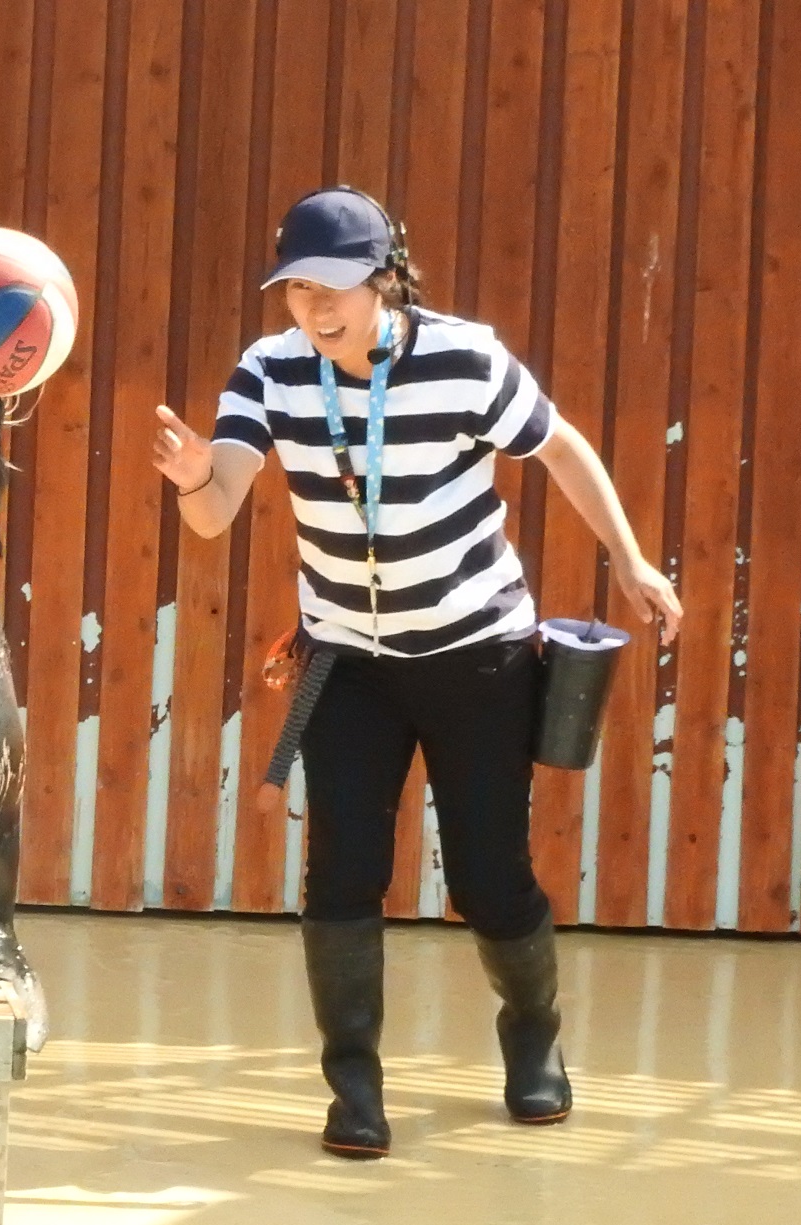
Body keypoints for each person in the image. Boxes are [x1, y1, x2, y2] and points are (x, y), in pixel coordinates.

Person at [151, 186, 682, 1158]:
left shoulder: (461, 357)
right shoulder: (269, 373)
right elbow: (216, 507)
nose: (314, 308)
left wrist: (626, 555)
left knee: (487, 878)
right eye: (296, 288)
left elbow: (560, 449)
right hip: (346, 663)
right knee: (340, 876)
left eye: (334, 287)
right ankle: (351, 1090)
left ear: (383, 279)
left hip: (474, 653)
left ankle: (532, 1040)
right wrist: (195, 478)